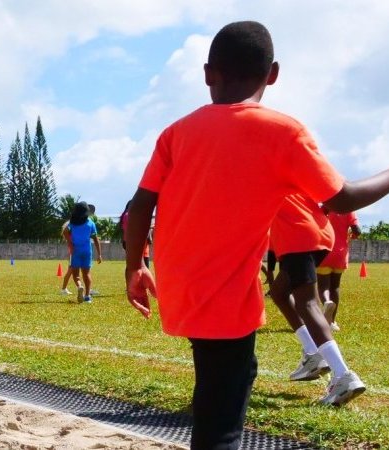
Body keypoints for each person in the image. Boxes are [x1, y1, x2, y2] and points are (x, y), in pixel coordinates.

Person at [122, 21, 389, 449]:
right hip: (227, 298)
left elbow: (141, 204)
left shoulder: (176, 132)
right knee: (222, 420)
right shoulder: (283, 133)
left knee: (217, 386)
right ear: (273, 73)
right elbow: (342, 198)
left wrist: (135, 266)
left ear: (209, 73)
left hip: (181, 287)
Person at [267, 195, 364, 406]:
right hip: (314, 232)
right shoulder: (281, 170)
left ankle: (343, 375)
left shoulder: (255, 171)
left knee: (307, 303)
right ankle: (312, 354)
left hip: (298, 236)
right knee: (279, 292)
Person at [318, 207, 359, 330]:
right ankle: (332, 322)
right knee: (335, 287)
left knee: (323, 286)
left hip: (324, 250)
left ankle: (326, 302)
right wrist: (353, 235)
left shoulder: (324, 208)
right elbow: (357, 229)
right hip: (340, 253)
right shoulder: (348, 209)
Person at [65, 203, 101, 303]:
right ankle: (87, 296)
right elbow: (95, 239)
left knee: (76, 275)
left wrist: (70, 243)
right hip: (87, 251)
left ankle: (80, 286)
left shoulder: (72, 223)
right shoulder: (91, 223)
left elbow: (65, 232)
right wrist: (99, 254)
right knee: (87, 274)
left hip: (75, 251)